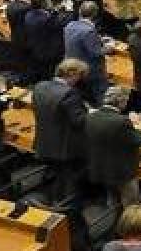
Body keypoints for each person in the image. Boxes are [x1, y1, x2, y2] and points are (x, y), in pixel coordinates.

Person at [32, 58, 89, 210]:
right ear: (72, 74)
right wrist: (88, 111)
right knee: (70, 179)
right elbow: (79, 121)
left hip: (44, 143)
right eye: (80, 75)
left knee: (58, 175)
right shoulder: (69, 94)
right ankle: (68, 212)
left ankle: (55, 202)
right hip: (65, 147)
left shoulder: (39, 86)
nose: (80, 80)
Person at [86, 85, 141, 208]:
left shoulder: (91, 116)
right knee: (131, 204)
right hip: (121, 172)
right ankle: (129, 226)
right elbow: (137, 140)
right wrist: (136, 124)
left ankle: (114, 222)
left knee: (112, 200)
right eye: (126, 101)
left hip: (101, 168)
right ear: (121, 101)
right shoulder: (121, 121)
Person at [64, 0, 112, 104]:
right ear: (95, 14)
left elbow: (78, 41)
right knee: (101, 92)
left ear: (80, 11)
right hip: (90, 70)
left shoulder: (70, 25)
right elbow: (96, 53)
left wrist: (98, 40)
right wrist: (108, 48)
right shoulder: (89, 31)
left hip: (71, 64)